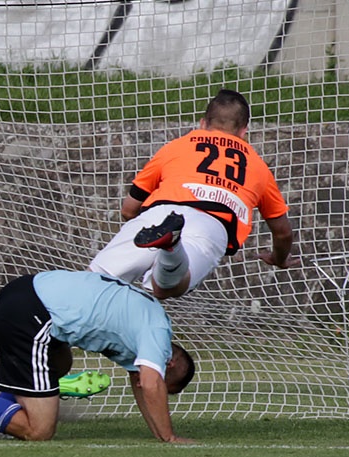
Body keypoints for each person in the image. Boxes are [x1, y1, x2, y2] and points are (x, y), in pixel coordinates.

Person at [0, 270, 196, 443]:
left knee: (61, 364)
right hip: (33, 312)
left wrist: (160, 436)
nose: (150, 385)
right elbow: (149, 385)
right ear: (168, 361)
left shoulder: (144, 328)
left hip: (29, 296)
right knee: (39, 430)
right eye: (163, 380)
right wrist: (171, 437)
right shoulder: (158, 332)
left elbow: (143, 385)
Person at [89, 88, 299, 300]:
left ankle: (167, 240)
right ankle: (171, 248)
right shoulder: (257, 167)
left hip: (160, 213)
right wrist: (279, 258)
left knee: (94, 279)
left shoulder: (175, 147)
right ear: (244, 131)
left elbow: (128, 209)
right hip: (211, 224)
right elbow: (282, 232)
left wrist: (139, 225)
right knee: (165, 287)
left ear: (202, 123)